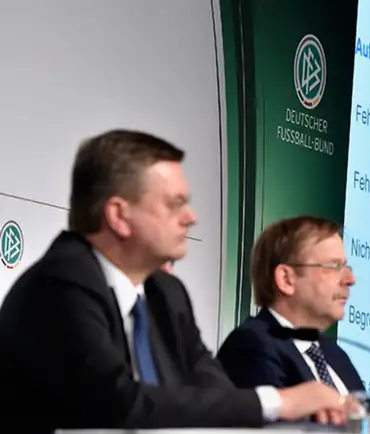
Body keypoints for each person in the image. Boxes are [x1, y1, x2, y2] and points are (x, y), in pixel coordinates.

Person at [0, 130, 349, 431]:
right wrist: (278, 402)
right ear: (119, 215)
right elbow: (118, 405)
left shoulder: (166, 292)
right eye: (174, 204)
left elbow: (215, 393)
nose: (191, 217)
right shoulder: (59, 285)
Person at [217, 216, 363, 395]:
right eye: (334, 266)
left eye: (346, 267)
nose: (350, 280)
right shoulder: (251, 345)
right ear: (286, 279)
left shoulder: (336, 355)